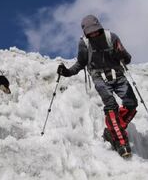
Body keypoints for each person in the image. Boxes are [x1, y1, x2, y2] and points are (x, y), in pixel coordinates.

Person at [57, 14, 138, 158]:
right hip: (99, 77)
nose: (93, 33)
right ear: (85, 32)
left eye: (95, 30)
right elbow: (81, 63)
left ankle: (111, 132)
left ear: (99, 27)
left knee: (132, 104)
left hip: (118, 75)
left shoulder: (111, 37)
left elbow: (127, 57)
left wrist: (123, 57)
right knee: (111, 106)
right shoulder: (84, 44)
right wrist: (67, 72)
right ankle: (121, 143)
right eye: (90, 32)